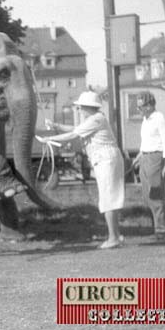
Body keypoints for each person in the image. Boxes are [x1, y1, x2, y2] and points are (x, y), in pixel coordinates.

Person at [45, 91, 125, 249]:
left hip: (106, 160)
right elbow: (76, 128)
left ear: (88, 107)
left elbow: (74, 133)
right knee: (111, 198)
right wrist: (56, 126)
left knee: (108, 199)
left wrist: (51, 138)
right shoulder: (96, 118)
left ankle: (113, 238)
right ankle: (116, 235)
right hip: (107, 159)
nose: (79, 110)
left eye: (81, 107)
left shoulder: (96, 119)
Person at [131, 91, 165, 242]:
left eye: (140, 106)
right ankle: (156, 227)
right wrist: (139, 156)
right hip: (145, 157)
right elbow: (146, 141)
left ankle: (163, 231)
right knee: (147, 195)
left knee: (155, 194)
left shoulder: (159, 118)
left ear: (149, 105)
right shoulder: (145, 120)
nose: (138, 110)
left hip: (157, 157)